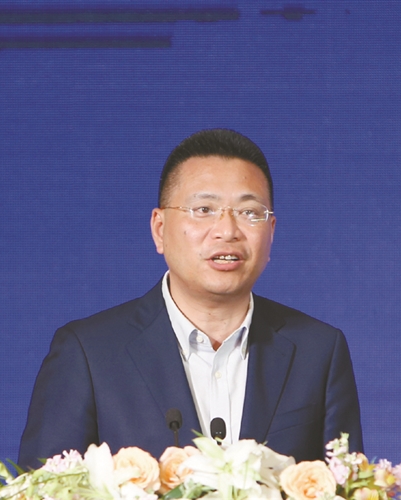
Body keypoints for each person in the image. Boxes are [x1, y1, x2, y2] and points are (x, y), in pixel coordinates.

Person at [18, 129, 362, 468]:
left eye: (249, 212)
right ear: (160, 229)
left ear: (271, 232)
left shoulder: (319, 352)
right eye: (204, 209)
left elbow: (351, 488)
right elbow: (43, 488)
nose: (227, 230)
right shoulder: (89, 354)